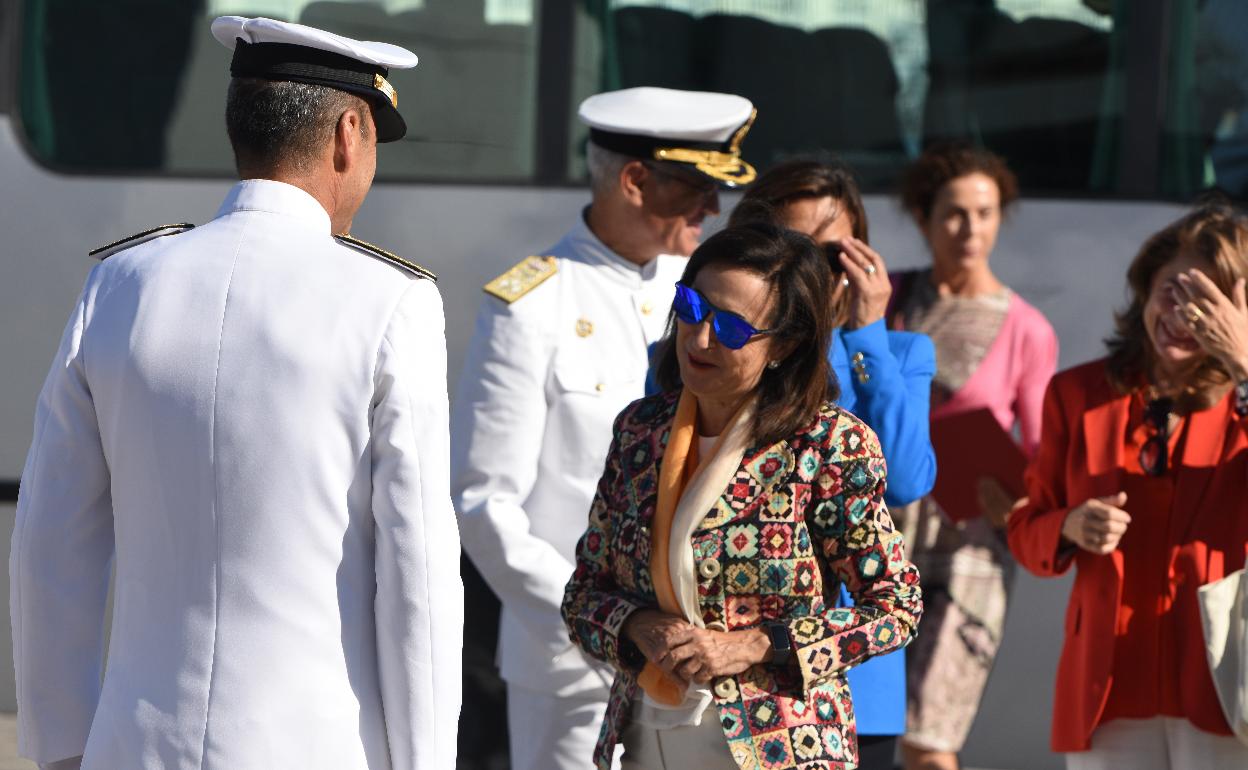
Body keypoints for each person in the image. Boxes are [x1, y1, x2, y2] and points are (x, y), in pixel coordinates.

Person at [9, 16, 463, 770]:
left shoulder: (119, 285)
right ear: (349, 134)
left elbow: (50, 540)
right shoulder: (389, 302)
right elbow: (416, 577)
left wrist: (61, 748)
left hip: (135, 747)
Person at [451, 86, 757, 770]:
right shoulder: (532, 303)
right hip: (576, 665)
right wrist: (606, 623)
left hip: (702, 667)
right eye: (697, 188)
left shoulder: (707, 294)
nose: (713, 208)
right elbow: (483, 501)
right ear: (635, 180)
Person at [561, 222, 923, 770]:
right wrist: (638, 626)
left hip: (781, 743)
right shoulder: (639, 431)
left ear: (786, 345)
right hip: (647, 734)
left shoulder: (828, 445)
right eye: (690, 306)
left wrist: (754, 644)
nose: (700, 337)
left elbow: (897, 607)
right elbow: (584, 594)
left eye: (732, 328)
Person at [1008, 203, 1248, 769]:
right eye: (1172, 288)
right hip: (1109, 681)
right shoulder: (1077, 393)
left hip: (1223, 679)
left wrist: (1243, 361)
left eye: (1207, 298)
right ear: (1144, 288)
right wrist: (1068, 525)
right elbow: (1025, 527)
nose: (1183, 311)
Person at [729, 159, 937, 769]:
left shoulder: (898, 352)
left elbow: (903, 480)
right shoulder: (712, 349)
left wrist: (866, 336)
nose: (815, 273)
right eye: (797, 252)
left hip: (855, 676)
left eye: (832, 254)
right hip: (740, 663)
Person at [889, 142, 1058, 770]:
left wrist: (1019, 496)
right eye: (956, 213)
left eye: (985, 213)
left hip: (972, 550)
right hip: (878, 542)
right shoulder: (890, 300)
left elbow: (1041, 453)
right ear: (924, 217)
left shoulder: (1025, 328)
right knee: (863, 733)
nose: (971, 229)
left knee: (932, 741)